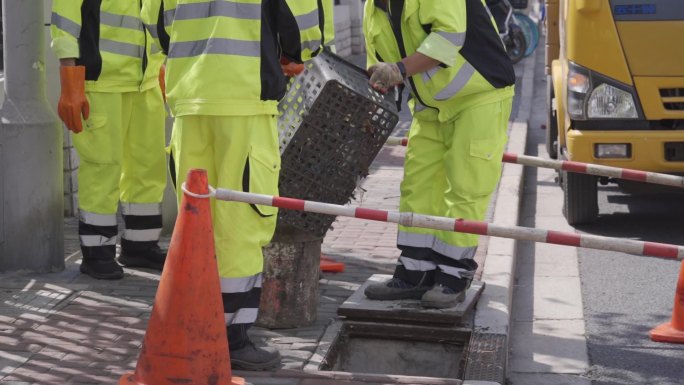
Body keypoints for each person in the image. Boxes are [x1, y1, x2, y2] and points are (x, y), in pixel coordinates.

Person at [141, 0, 325, 371]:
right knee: (241, 222)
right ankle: (231, 338)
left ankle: (193, 327)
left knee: (196, 222)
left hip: (189, 101)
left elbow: (156, 26)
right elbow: (304, 30)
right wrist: (291, 56)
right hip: (244, 102)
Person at [362, 0, 516, 309]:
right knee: (418, 188)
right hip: (431, 107)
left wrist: (399, 69)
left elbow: (449, 38)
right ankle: (414, 274)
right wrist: (378, 79)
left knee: (464, 188)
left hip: (479, 97)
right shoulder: (373, 6)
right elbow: (377, 59)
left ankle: (453, 276)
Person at [51, 0, 168, 280]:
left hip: (146, 83)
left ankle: (140, 245)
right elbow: (65, 19)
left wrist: (161, 67)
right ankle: (97, 252)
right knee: (103, 167)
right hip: (101, 83)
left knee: (148, 166)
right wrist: (69, 80)